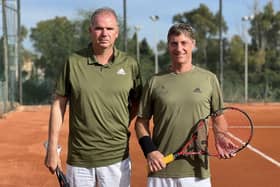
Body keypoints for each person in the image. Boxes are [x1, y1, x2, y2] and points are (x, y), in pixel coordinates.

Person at [44, 7, 142, 187]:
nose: (104, 33)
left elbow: (137, 102)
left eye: (110, 29)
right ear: (90, 31)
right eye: (99, 28)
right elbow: (59, 104)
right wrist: (52, 147)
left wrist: (121, 122)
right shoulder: (73, 62)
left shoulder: (130, 64)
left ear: (117, 32)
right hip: (80, 158)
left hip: (117, 157)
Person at [135, 23, 235, 187]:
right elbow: (141, 122)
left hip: (197, 173)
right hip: (161, 170)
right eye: (174, 43)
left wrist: (221, 136)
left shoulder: (209, 79)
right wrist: (150, 151)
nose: (179, 48)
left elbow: (218, 117)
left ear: (193, 44)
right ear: (168, 46)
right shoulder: (154, 81)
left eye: (184, 43)